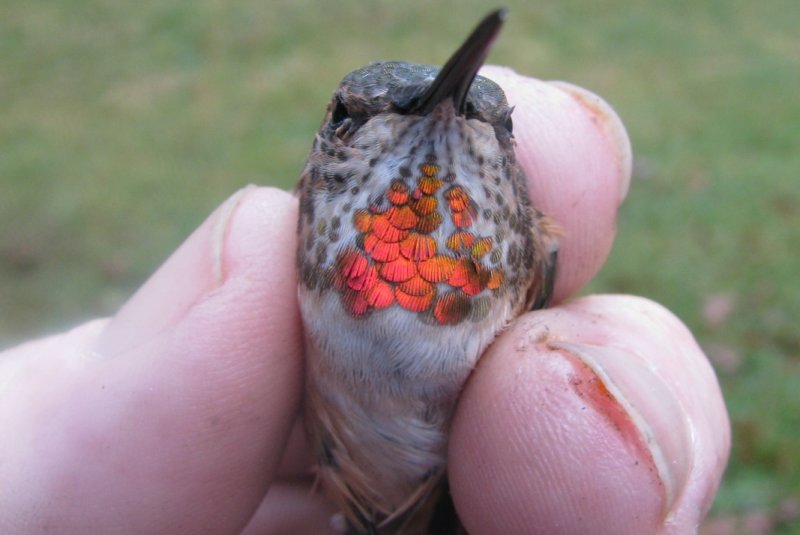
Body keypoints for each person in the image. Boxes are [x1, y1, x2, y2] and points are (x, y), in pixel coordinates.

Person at [0, 68, 729, 534]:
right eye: (355, 120)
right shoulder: (284, 243)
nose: (449, 119)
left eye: (494, 129)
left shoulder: (530, 241)